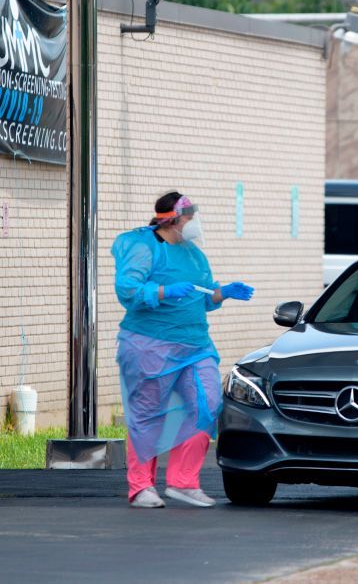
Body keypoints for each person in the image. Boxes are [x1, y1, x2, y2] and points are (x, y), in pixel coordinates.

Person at [112, 191, 255, 509]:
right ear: (173, 219)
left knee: (207, 405)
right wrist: (163, 290)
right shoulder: (145, 248)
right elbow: (128, 290)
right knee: (148, 415)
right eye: (190, 216)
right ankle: (141, 487)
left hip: (195, 345)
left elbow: (202, 297)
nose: (195, 222)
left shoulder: (194, 254)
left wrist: (223, 293)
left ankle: (183, 481)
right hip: (151, 345)